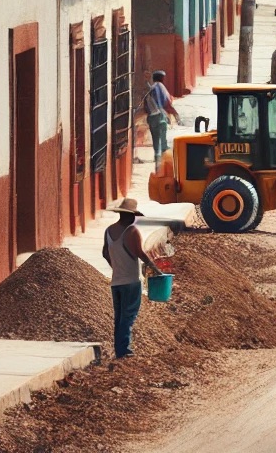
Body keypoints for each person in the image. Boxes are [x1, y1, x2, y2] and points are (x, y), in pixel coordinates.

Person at [102, 198, 164, 359]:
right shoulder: (132, 231)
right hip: (130, 282)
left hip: (116, 282)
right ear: (129, 216)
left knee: (119, 317)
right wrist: (156, 270)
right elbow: (141, 254)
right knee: (128, 317)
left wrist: (116, 266)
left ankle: (119, 349)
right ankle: (124, 351)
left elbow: (105, 253)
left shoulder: (109, 231)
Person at [144, 70, 179, 168]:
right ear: (161, 78)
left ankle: (157, 163)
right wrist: (175, 114)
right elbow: (166, 103)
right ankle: (163, 165)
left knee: (156, 141)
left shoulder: (151, 88)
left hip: (151, 117)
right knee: (163, 142)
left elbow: (146, 106)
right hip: (160, 117)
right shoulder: (161, 87)